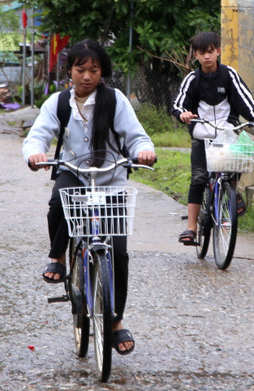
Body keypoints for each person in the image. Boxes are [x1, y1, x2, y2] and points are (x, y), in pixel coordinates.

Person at [22, 39, 156, 355]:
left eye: (93, 70)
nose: (86, 76)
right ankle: (58, 256)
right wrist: (35, 154)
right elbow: (38, 135)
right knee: (59, 201)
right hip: (74, 170)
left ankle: (115, 322)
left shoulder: (115, 100)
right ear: (70, 70)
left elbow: (136, 136)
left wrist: (143, 152)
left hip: (111, 177)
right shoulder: (57, 102)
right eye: (80, 69)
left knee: (118, 252)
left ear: (102, 72)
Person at [171, 31, 254, 245]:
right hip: (202, 137)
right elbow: (178, 103)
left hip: (227, 135)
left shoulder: (229, 75)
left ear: (218, 51)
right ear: (196, 55)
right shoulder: (192, 79)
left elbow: (246, 100)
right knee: (198, 178)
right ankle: (191, 227)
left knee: (237, 164)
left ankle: (230, 193)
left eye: (210, 52)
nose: (207, 57)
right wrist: (183, 114)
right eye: (201, 53)